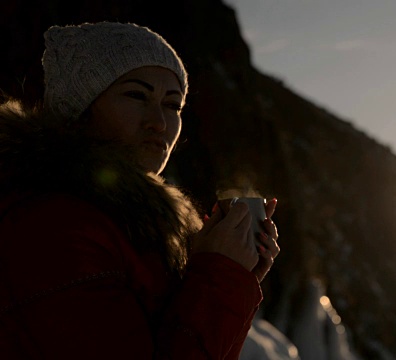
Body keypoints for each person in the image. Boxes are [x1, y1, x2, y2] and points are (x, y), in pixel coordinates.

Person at [0, 21, 279, 359]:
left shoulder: (131, 223)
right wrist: (217, 273)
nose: (159, 122)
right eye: (136, 95)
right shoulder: (55, 225)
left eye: (172, 105)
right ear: (79, 108)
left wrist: (234, 275)